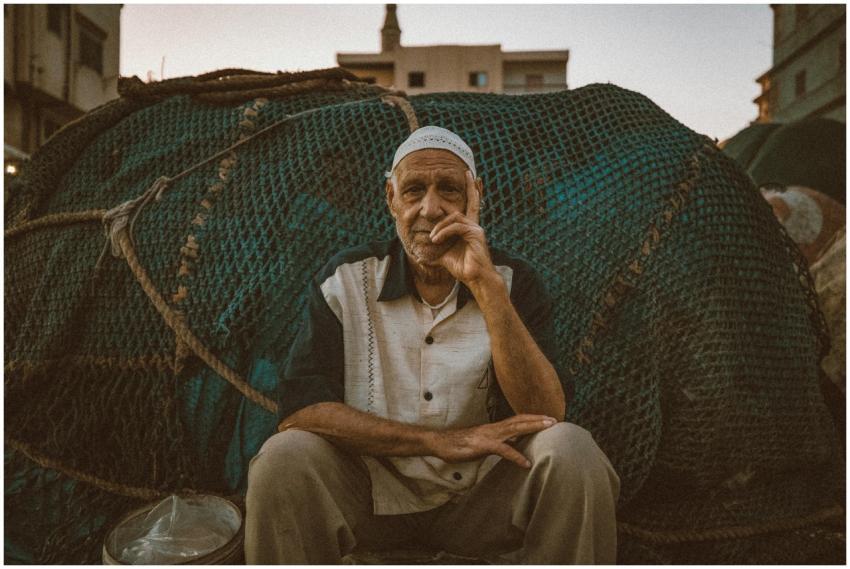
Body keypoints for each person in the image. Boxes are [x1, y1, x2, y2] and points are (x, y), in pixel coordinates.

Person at [244, 126, 620, 564]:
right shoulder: (345, 280)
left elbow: (547, 412)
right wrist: (438, 441)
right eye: (414, 190)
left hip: (481, 500)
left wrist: (485, 285)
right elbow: (301, 411)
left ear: (475, 196)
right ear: (391, 199)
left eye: (449, 190)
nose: (431, 208)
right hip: (369, 495)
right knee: (282, 459)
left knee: (571, 449)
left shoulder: (514, 282)